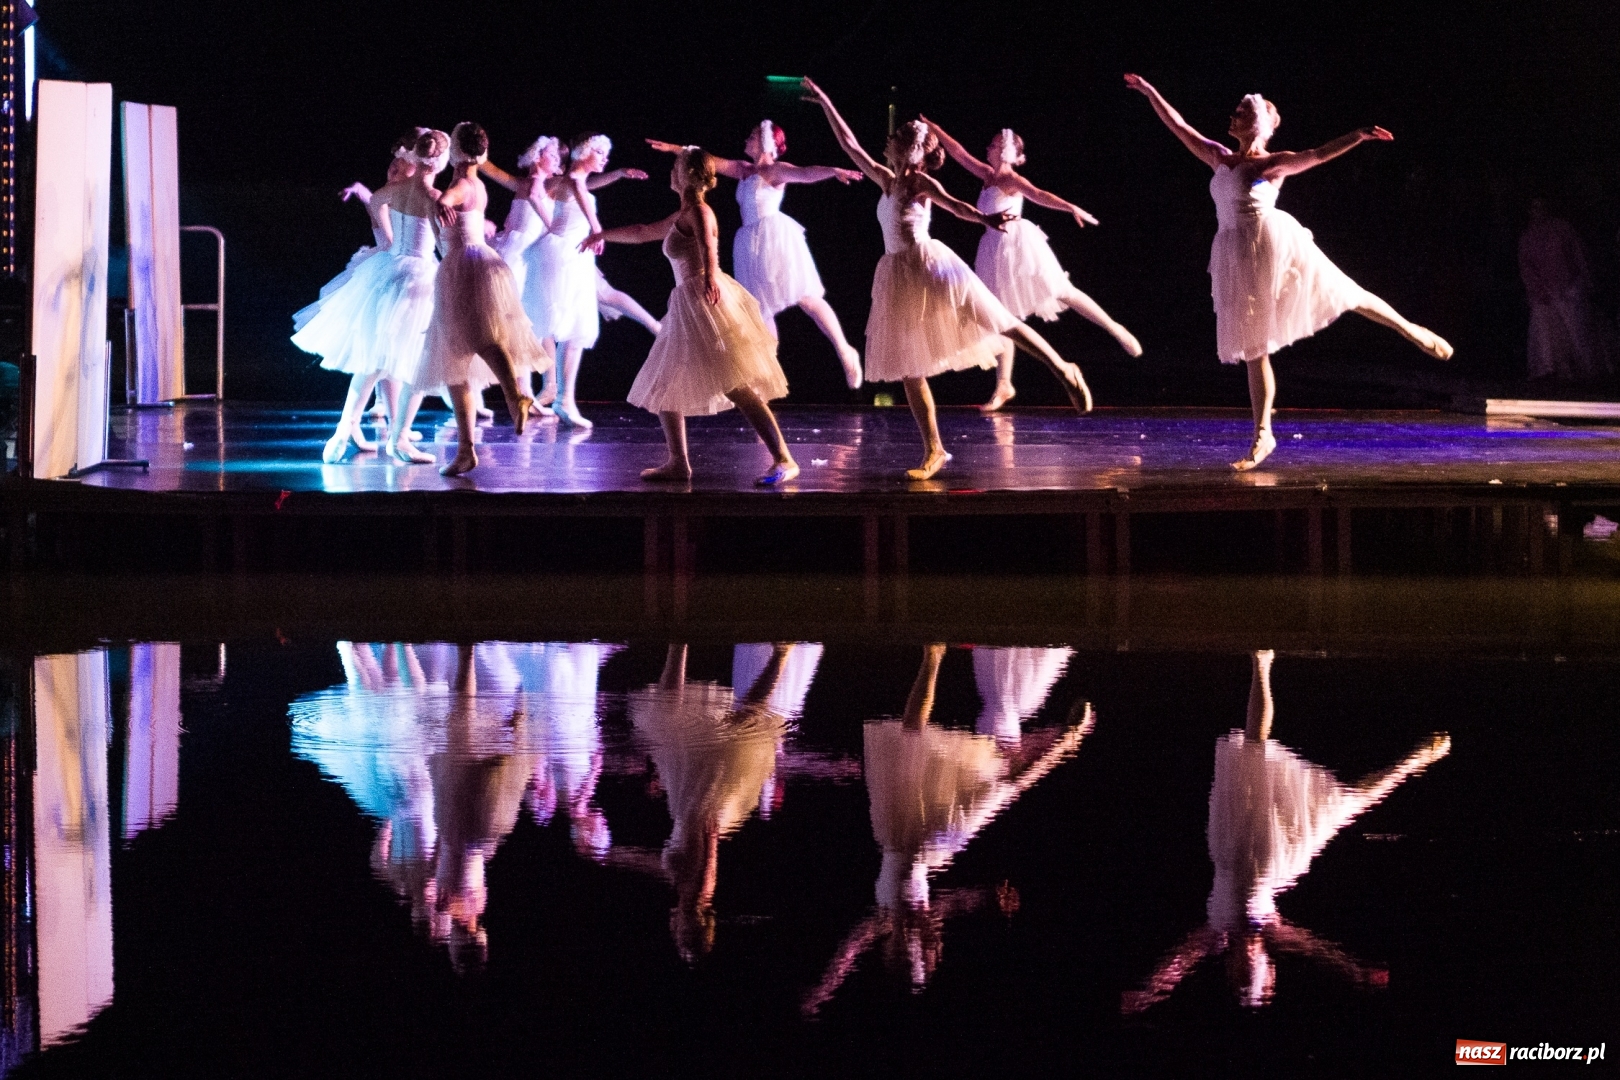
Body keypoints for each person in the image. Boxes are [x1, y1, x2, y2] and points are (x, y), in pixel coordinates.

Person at [1125, 75, 1453, 470]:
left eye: (1241, 112)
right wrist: (1150, 92)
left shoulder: (1270, 164)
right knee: (1254, 348)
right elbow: (1179, 126)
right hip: (1235, 254)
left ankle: (1409, 329)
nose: (1232, 115)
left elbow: (1316, 154)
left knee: (1344, 292)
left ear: (1257, 123)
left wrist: (1357, 135)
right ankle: (1263, 435)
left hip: (1271, 244)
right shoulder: (1219, 156)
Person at [1122, 650, 1451, 1012]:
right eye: (1256, 975)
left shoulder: (1216, 937)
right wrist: (1353, 970)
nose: (1245, 964)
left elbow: (1179, 962)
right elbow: (1320, 950)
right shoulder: (1273, 928)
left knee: (1255, 747)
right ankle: (1415, 760)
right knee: (1349, 803)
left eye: (1237, 974)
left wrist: (1151, 992)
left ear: (1229, 967)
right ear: (1270, 968)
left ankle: (1260, 663)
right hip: (1278, 850)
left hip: (1233, 837)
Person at [802, 78, 1092, 481]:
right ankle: (934, 449)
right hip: (898, 274)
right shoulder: (887, 179)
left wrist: (985, 218)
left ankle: (1064, 369)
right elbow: (849, 144)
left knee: (998, 321)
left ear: (911, 150)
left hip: (933, 265)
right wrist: (825, 101)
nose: (885, 144)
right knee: (907, 366)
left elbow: (955, 206)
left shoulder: (920, 183)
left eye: (894, 140)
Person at [583, 147, 798, 485]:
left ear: (686, 174)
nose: (671, 172)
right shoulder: (682, 214)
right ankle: (678, 462)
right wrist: (601, 235)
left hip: (703, 299)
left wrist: (711, 275)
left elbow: (709, 245)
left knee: (735, 384)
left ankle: (784, 458)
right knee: (667, 382)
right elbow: (642, 231)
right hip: (687, 303)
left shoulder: (699, 211)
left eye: (676, 167)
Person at [922, 118, 1142, 412]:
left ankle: (1115, 328)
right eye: (993, 142)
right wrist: (935, 128)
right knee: (1002, 315)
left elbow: (1038, 195)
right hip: (993, 247)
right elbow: (959, 153)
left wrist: (1070, 207)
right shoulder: (986, 174)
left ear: (1012, 154)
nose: (993, 145)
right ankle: (1004, 384)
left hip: (1019, 245)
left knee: (1062, 291)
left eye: (1000, 143)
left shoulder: (1010, 180)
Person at [648, 121, 866, 388]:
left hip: (775, 238)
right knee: (760, 311)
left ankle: (845, 350)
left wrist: (832, 171)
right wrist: (678, 149)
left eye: (752, 135)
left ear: (766, 141)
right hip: (749, 244)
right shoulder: (743, 169)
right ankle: (766, 374)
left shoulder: (774, 170)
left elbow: (805, 173)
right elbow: (708, 160)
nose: (746, 138)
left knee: (806, 298)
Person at [292, 128, 445, 464]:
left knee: (379, 359)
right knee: (409, 359)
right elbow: (444, 246)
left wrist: (391, 245)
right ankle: (397, 437)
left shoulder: (393, 191)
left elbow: (381, 215)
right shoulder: (434, 197)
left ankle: (348, 429)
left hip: (389, 272)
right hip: (416, 276)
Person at [415, 123, 552, 477]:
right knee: (466, 350)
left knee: (461, 352)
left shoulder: (461, 184)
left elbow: (445, 203)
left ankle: (492, 418)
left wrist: (438, 202)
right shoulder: (476, 183)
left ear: (457, 151)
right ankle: (471, 444)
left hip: (464, 265)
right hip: (479, 261)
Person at [1519, 197, 1612, 381]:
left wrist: (1585, 281)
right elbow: (1526, 267)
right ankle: (1549, 369)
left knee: (1578, 329)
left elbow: (1578, 254)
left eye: (1541, 206)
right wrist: (1537, 290)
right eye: (1534, 207)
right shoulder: (1527, 237)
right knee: (1545, 331)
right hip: (1545, 293)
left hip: (1569, 287)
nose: (1538, 211)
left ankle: (1590, 369)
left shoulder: (1562, 229)